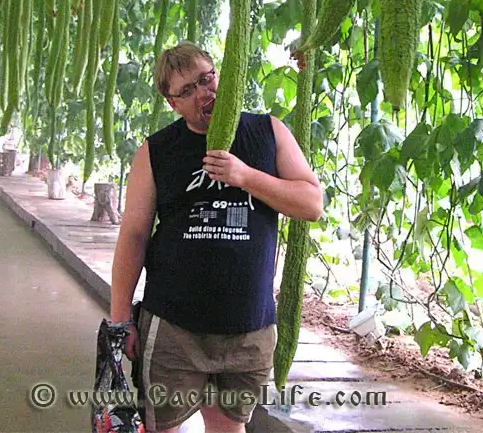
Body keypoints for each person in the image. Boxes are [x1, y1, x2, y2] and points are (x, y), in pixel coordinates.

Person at [110, 42, 323, 433]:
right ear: (173, 103)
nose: (203, 93)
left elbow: (311, 204)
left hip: (249, 328)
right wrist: (121, 316)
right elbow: (135, 234)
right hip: (173, 328)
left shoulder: (268, 132)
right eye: (187, 90)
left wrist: (245, 176)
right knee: (162, 427)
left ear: (219, 75)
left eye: (206, 79)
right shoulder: (156, 151)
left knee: (228, 427)